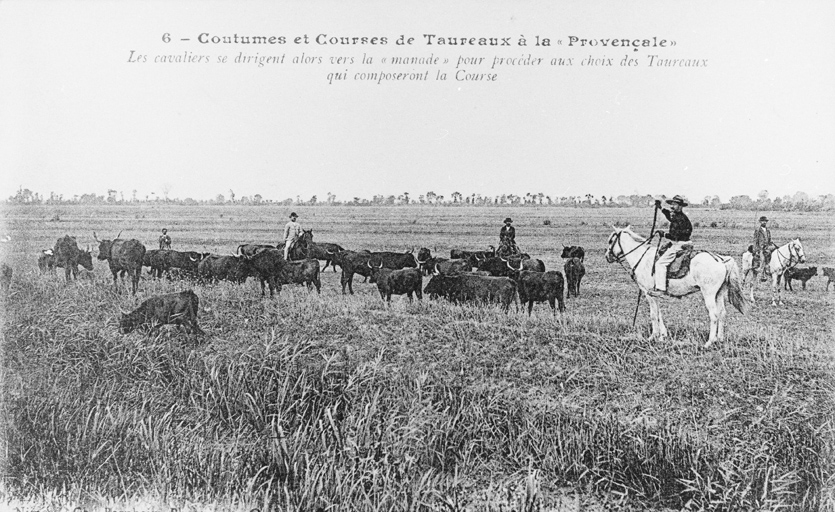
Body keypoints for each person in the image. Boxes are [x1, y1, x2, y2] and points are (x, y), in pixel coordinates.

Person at [648, 195, 693, 297]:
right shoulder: (679, 216)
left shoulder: (679, 218)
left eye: (675, 204)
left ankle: (661, 289)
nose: (673, 206)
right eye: (672, 204)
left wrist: (663, 234)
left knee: (660, 264)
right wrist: (661, 208)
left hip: (679, 244)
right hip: (685, 242)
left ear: (681, 206)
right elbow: (669, 215)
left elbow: (674, 236)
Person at [753, 215, 772, 281]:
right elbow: (755, 240)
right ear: (760, 222)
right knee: (762, 259)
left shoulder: (768, 231)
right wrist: (755, 249)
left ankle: (769, 271)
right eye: (762, 221)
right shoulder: (758, 231)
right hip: (760, 248)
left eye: (765, 221)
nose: (764, 222)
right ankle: (761, 275)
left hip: (767, 248)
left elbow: (769, 240)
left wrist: (771, 244)